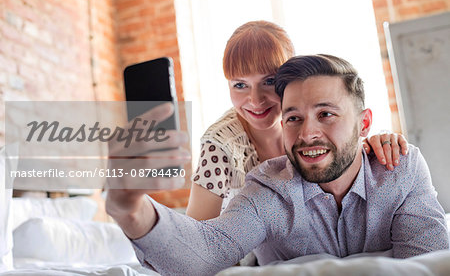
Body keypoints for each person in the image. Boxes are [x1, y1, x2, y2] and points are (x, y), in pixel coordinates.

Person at [106, 54, 449, 275]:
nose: (307, 133)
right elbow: (207, 253)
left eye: (326, 114)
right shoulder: (268, 188)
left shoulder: (399, 170)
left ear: (363, 124)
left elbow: (428, 263)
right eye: (293, 118)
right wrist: (130, 208)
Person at [187, 21, 408, 221]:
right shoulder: (219, 147)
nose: (255, 100)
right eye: (240, 85)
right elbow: (196, 243)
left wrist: (379, 142)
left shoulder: (309, 123)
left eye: (269, 81)